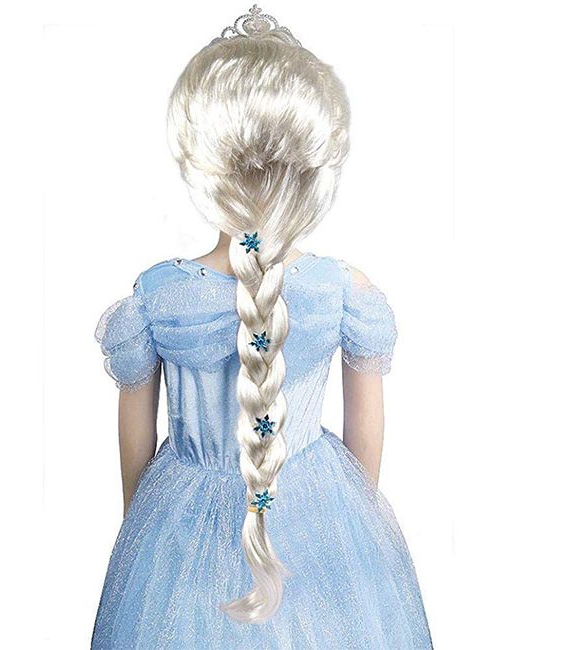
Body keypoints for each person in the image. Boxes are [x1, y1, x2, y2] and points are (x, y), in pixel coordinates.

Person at [91, 6, 433, 648]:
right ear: (314, 164)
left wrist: (149, 542)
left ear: (201, 162)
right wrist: (349, 533)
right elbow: (367, 448)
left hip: (181, 518)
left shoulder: (158, 297)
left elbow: (134, 457)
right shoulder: (342, 290)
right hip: (314, 505)